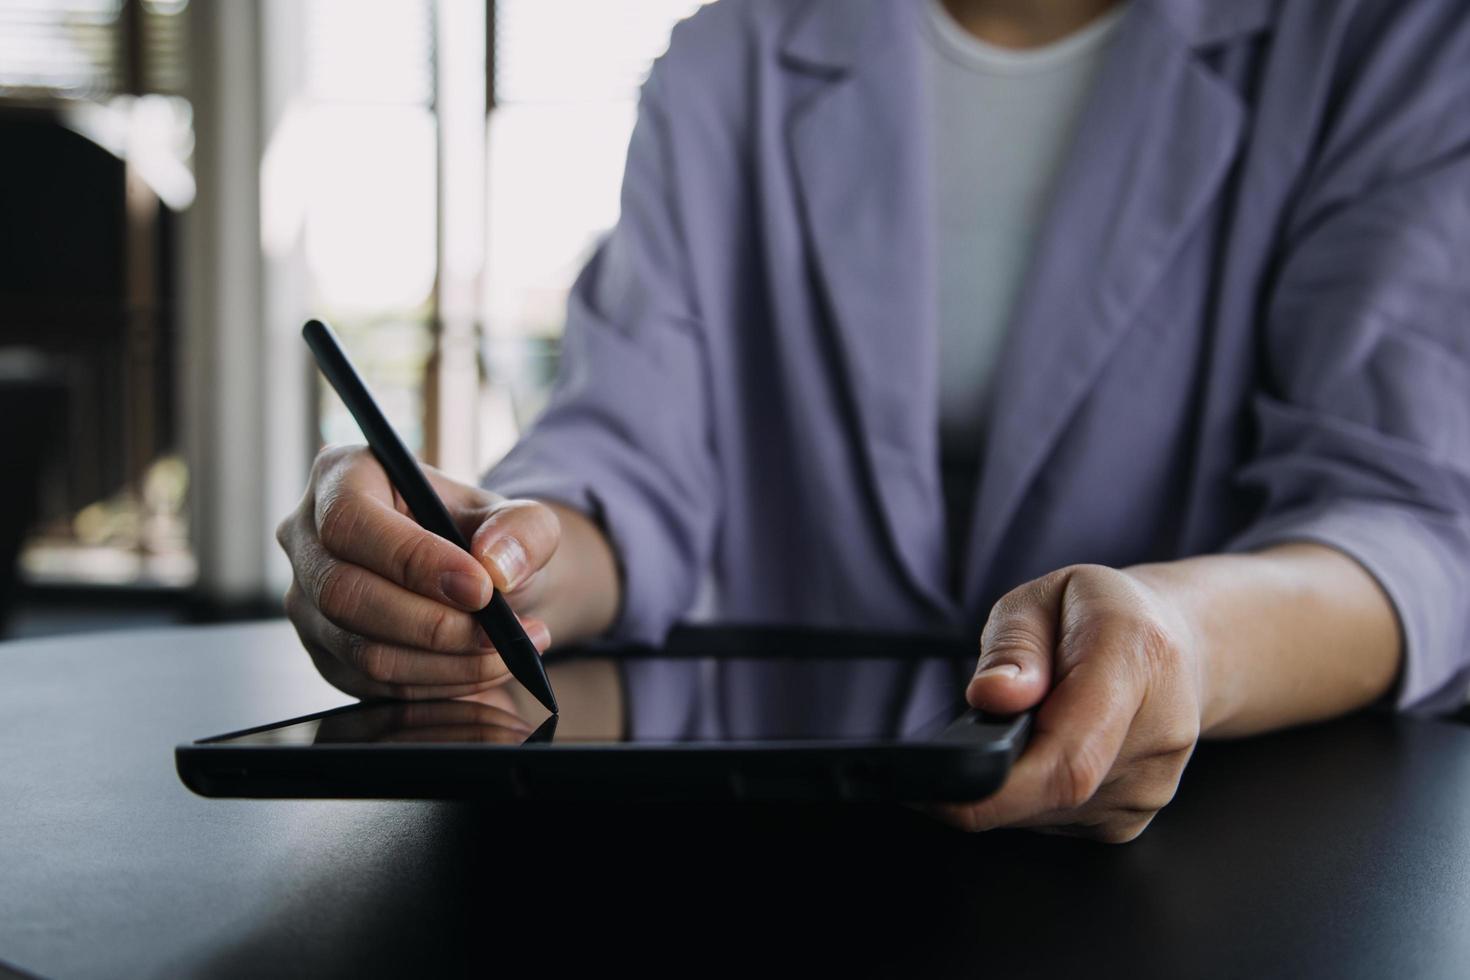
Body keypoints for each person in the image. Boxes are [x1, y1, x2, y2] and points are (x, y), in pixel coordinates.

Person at [275, 0, 1470, 841]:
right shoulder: (732, 51)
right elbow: (627, 459)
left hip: (1244, 847)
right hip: (767, 854)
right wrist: (496, 563)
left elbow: (1408, 519)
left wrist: (1185, 641)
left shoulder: (1391, 37)